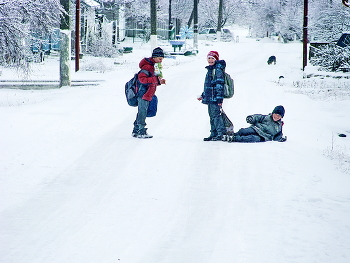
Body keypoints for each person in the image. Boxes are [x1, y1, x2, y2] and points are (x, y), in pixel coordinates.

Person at [132, 47, 166, 139]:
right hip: (143, 93)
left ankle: (136, 130)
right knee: (142, 112)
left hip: (148, 93)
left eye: (162, 59)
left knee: (142, 111)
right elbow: (142, 79)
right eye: (159, 59)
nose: (160, 61)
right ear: (154, 57)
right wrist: (155, 79)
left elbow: (151, 81)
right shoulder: (147, 66)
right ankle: (141, 131)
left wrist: (159, 82)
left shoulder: (154, 66)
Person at [198, 51, 227, 141]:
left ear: (216, 59)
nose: (210, 60)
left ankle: (220, 134)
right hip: (210, 97)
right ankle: (213, 133)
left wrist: (219, 99)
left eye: (212, 58)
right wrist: (203, 95)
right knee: (212, 116)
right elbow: (208, 86)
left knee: (216, 116)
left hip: (215, 98)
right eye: (209, 58)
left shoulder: (217, 70)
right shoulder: (211, 69)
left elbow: (219, 85)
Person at [222, 105, 287, 143]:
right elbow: (258, 117)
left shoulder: (279, 126)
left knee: (251, 138)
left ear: (281, 117)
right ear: (273, 113)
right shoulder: (267, 117)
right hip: (256, 129)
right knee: (244, 131)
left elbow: (278, 136)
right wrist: (251, 118)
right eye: (275, 114)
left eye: (279, 116)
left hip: (263, 137)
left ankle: (234, 138)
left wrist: (281, 138)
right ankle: (232, 135)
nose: (276, 117)